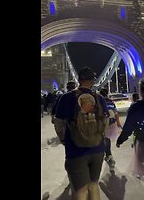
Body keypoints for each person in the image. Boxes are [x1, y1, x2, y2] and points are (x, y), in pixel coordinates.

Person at [54, 67, 109, 200]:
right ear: (92, 82)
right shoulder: (100, 98)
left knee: (80, 190)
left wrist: (62, 139)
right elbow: (106, 122)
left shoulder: (66, 98)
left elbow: (58, 123)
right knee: (93, 185)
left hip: (75, 150)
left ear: (79, 80)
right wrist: (99, 136)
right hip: (97, 148)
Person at [99, 88, 122, 172]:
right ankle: (108, 155)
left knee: (102, 139)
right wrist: (118, 123)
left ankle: (107, 155)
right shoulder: (111, 101)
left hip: (102, 124)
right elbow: (115, 113)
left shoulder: (99, 101)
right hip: (111, 124)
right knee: (107, 139)